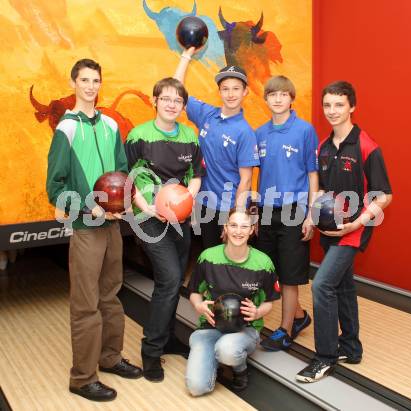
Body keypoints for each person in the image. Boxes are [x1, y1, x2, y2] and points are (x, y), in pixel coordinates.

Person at [46, 58, 142, 402]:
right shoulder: (66, 129)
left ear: (101, 84)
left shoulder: (111, 126)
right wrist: (89, 206)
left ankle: (110, 358)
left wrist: (125, 200)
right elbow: (55, 188)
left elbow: (120, 173)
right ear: (74, 83)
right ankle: (82, 378)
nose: (90, 86)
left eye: (96, 80)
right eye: (84, 80)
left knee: (111, 295)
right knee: (86, 304)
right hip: (86, 227)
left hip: (112, 227)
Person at [296, 81, 392, 383]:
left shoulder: (366, 145)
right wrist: (312, 217)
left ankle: (324, 357)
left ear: (352, 107)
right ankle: (351, 347)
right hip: (329, 229)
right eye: (328, 105)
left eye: (339, 105)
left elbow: (384, 196)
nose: (332, 111)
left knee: (321, 286)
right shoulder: (324, 147)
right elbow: (323, 189)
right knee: (343, 286)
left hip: (353, 230)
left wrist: (358, 222)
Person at [125, 77, 204, 382]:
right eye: (166, 98)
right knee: (170, 280)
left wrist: (187, 198)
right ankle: (151, 351)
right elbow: (126, 177)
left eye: (178, 101)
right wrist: (146, 207)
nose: (172, 104)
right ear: (154, 100)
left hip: (180, 217)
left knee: (174, 279)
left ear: (183, 107)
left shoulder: (189, 135)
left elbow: (195, 175)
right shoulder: (138, 135)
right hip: (148, 218)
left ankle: (169, 338)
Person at [185, 209, 279, 396]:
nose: (238, 231)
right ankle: (213, 359)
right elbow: (194, 292)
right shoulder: (208, 257)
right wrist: (198, 305)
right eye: (233, 225)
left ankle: (239, 369)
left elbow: (270, 302)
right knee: (197, 388)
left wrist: (258, 312)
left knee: (227, 349)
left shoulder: (263, 263)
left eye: (244, 226)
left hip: (245, 329)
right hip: (210, 328)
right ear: (225, 228)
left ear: (252, 230)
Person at [256, 76, 319, 351]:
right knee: (272, 271)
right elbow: (253, 173)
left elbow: (313, 174)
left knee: (291, 276)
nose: (278, 99)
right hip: (267, 209)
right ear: (266, 99)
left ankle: (285, 329)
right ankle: (300, 316)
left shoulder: (305, 131)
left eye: (283, 94)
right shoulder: (259, 133)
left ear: (292, 98)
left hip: (295, 210)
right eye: (273, 95)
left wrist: (310, 214)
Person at [174, 47, 260, 249]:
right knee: (209, 259)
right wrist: (186, 57)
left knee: (228, 263)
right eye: (226, 88)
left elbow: (246, 181)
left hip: (227, 209)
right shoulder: (206, 114)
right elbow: (175, 90)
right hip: (204, 204)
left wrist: (235, 219)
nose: (230, 94)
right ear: (219, 91)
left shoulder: (245, 133)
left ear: (245, 91)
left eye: (236, 88)